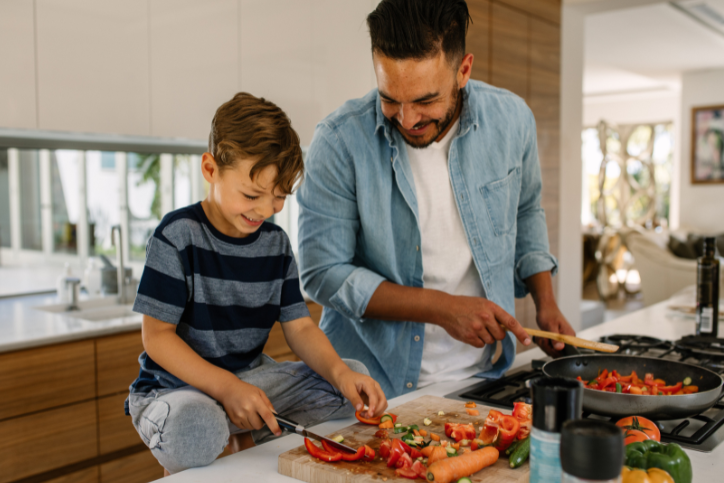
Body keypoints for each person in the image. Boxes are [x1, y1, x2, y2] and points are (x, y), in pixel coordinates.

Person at [297, 0, 575, 399]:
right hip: (370, 387)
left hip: (485, 377)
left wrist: (544, 299)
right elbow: (322, 273)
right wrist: (442, 308)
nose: (407, 119)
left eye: (425, 101)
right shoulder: (339, 141)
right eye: (390, 98)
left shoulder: (513, 120)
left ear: (463, 70)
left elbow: (526, 209)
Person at [125, 93, 387, 476]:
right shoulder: (177, 235)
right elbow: (157, 337)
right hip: (175, 390)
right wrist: (227, 389)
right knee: (196, 426)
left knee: (346, 381)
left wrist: (341, 374)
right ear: (211, 169)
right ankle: (225, 437)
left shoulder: (275, 244)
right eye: (251, 195)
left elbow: (299, 327)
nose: (264, 211)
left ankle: (236, 439)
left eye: (278, 197)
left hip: (249, 381)